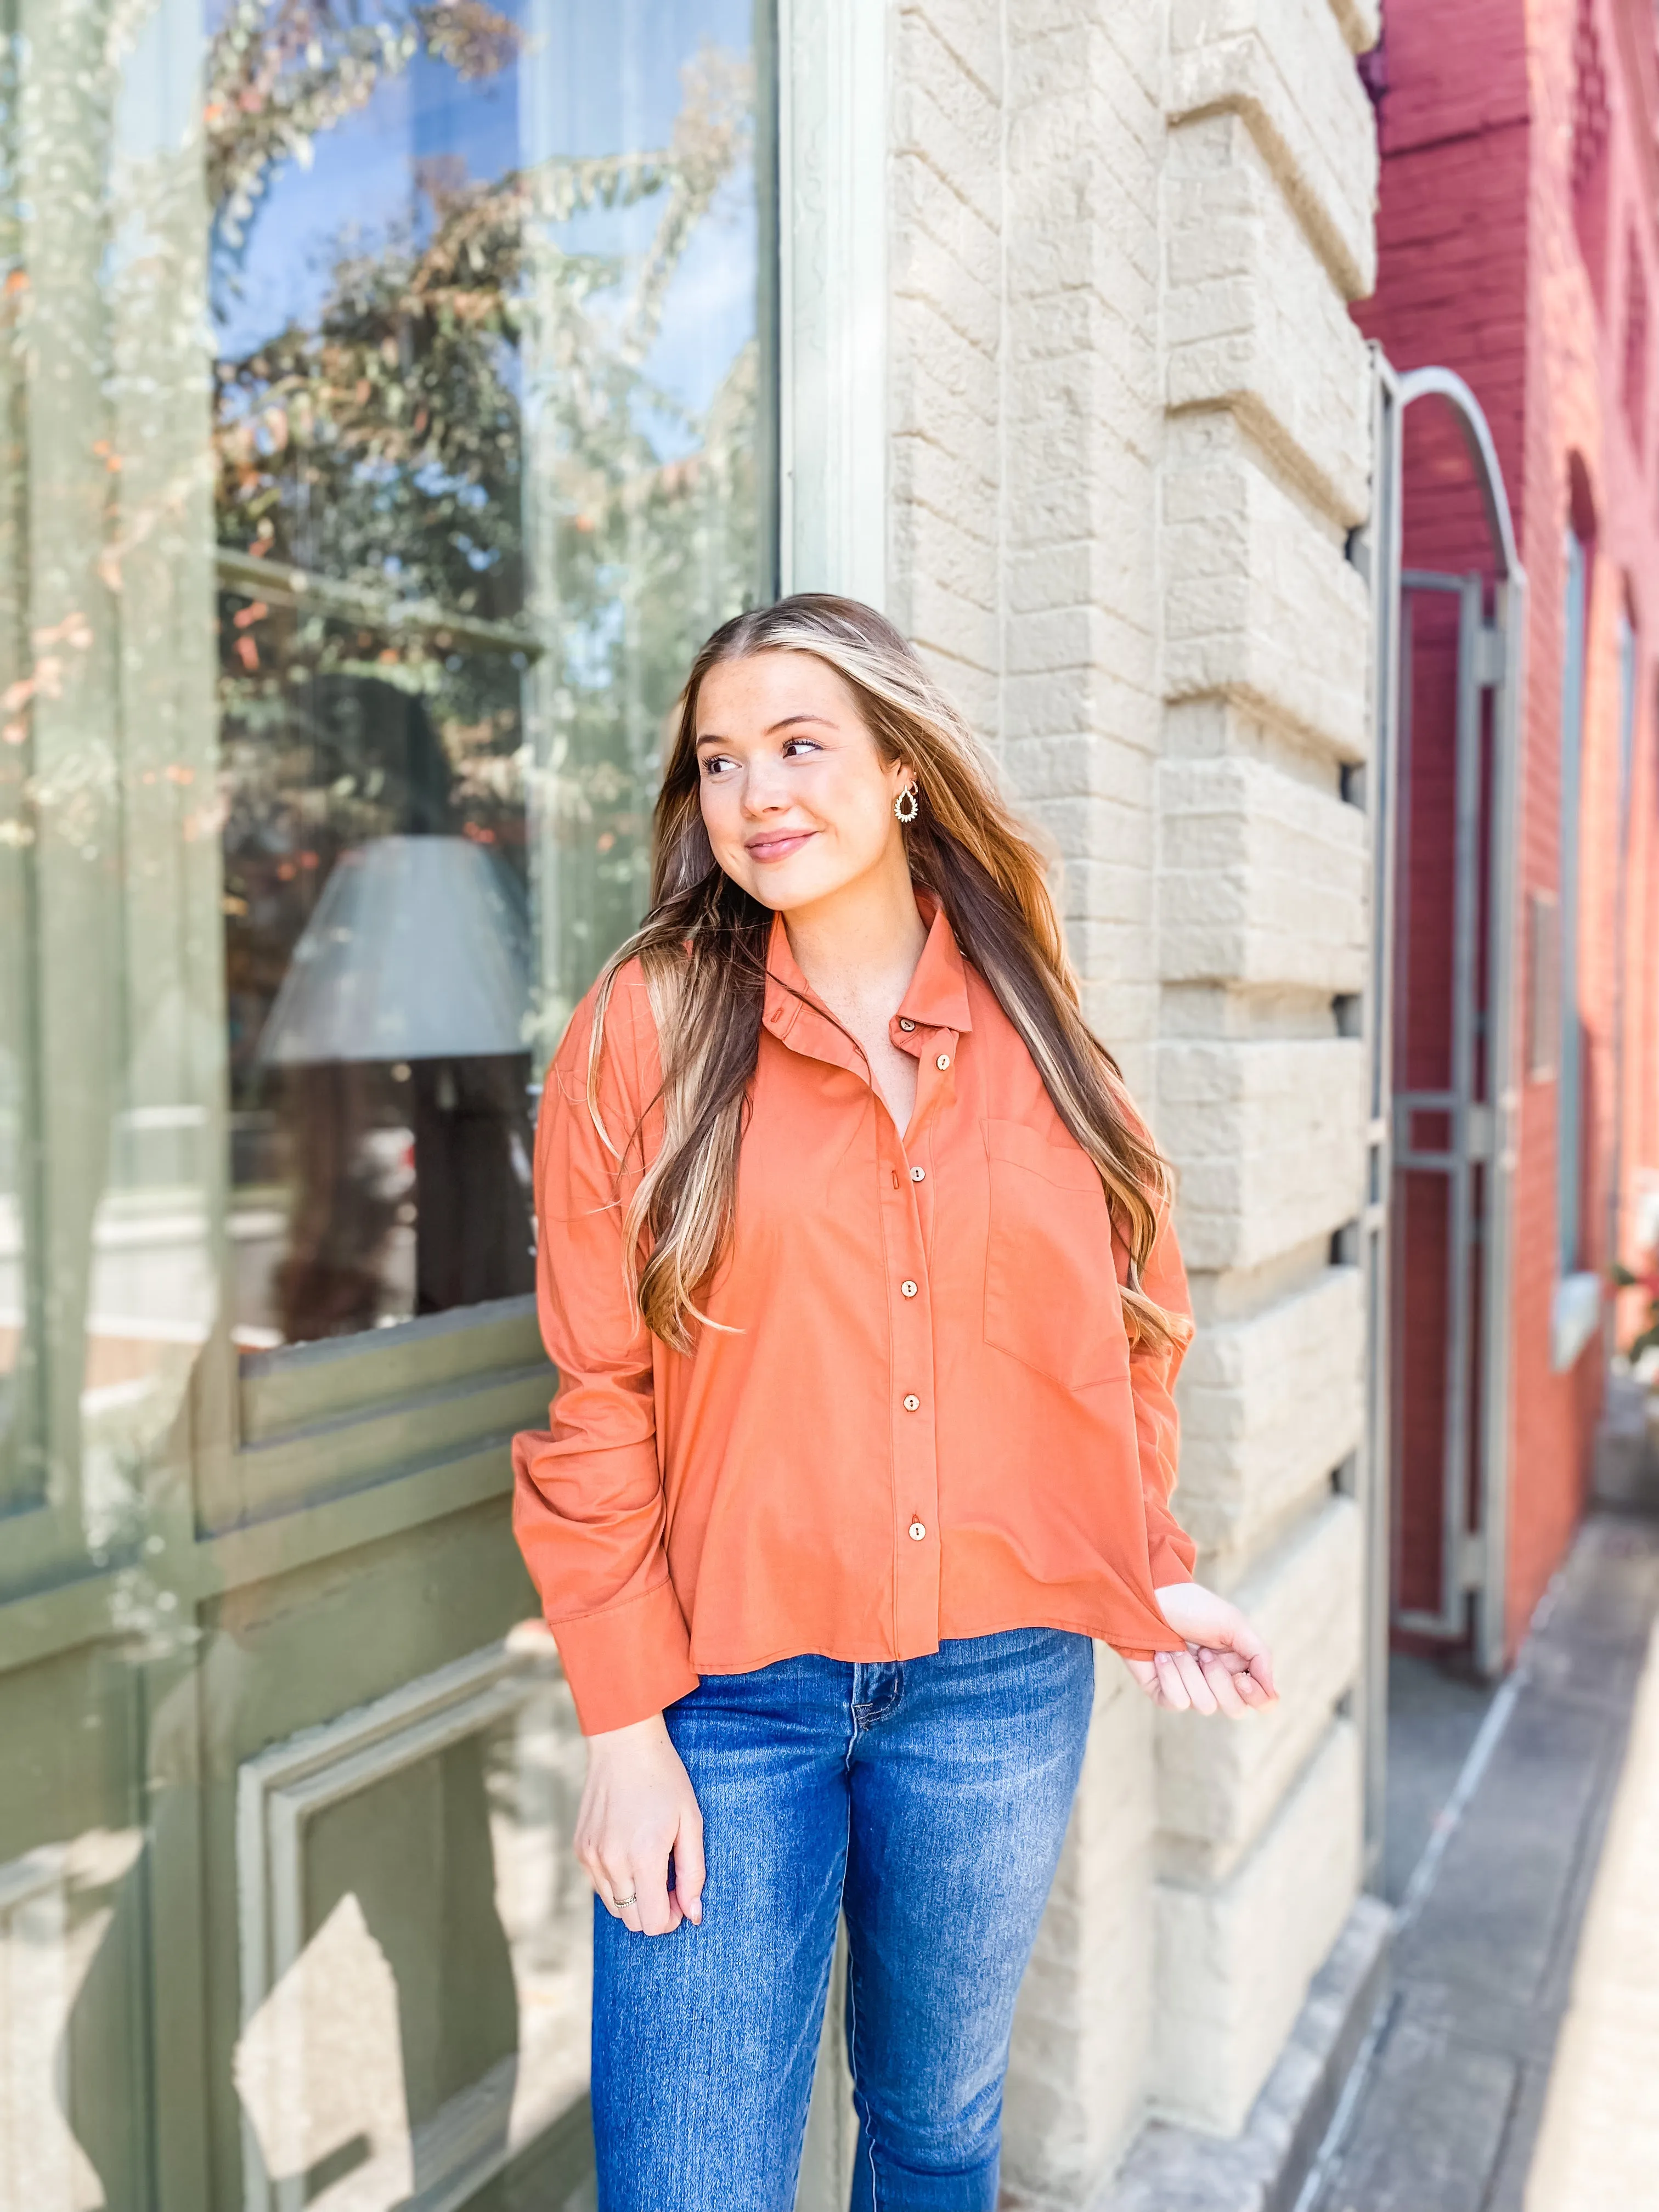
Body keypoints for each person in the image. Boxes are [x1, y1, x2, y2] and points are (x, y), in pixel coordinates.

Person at [512, 595, 1278, 2212]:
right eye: (718, 761)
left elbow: (1130, 1321)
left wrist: (1146, 1562)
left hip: (999, 1685)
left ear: (906, 770)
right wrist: (624, 1729)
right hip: (725, 1696)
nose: (755, 794)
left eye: (800, 745)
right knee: (689, 2186)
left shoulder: (1041, 1040)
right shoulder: (644, 1032)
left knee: (932, 2135)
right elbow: (599, 1398)